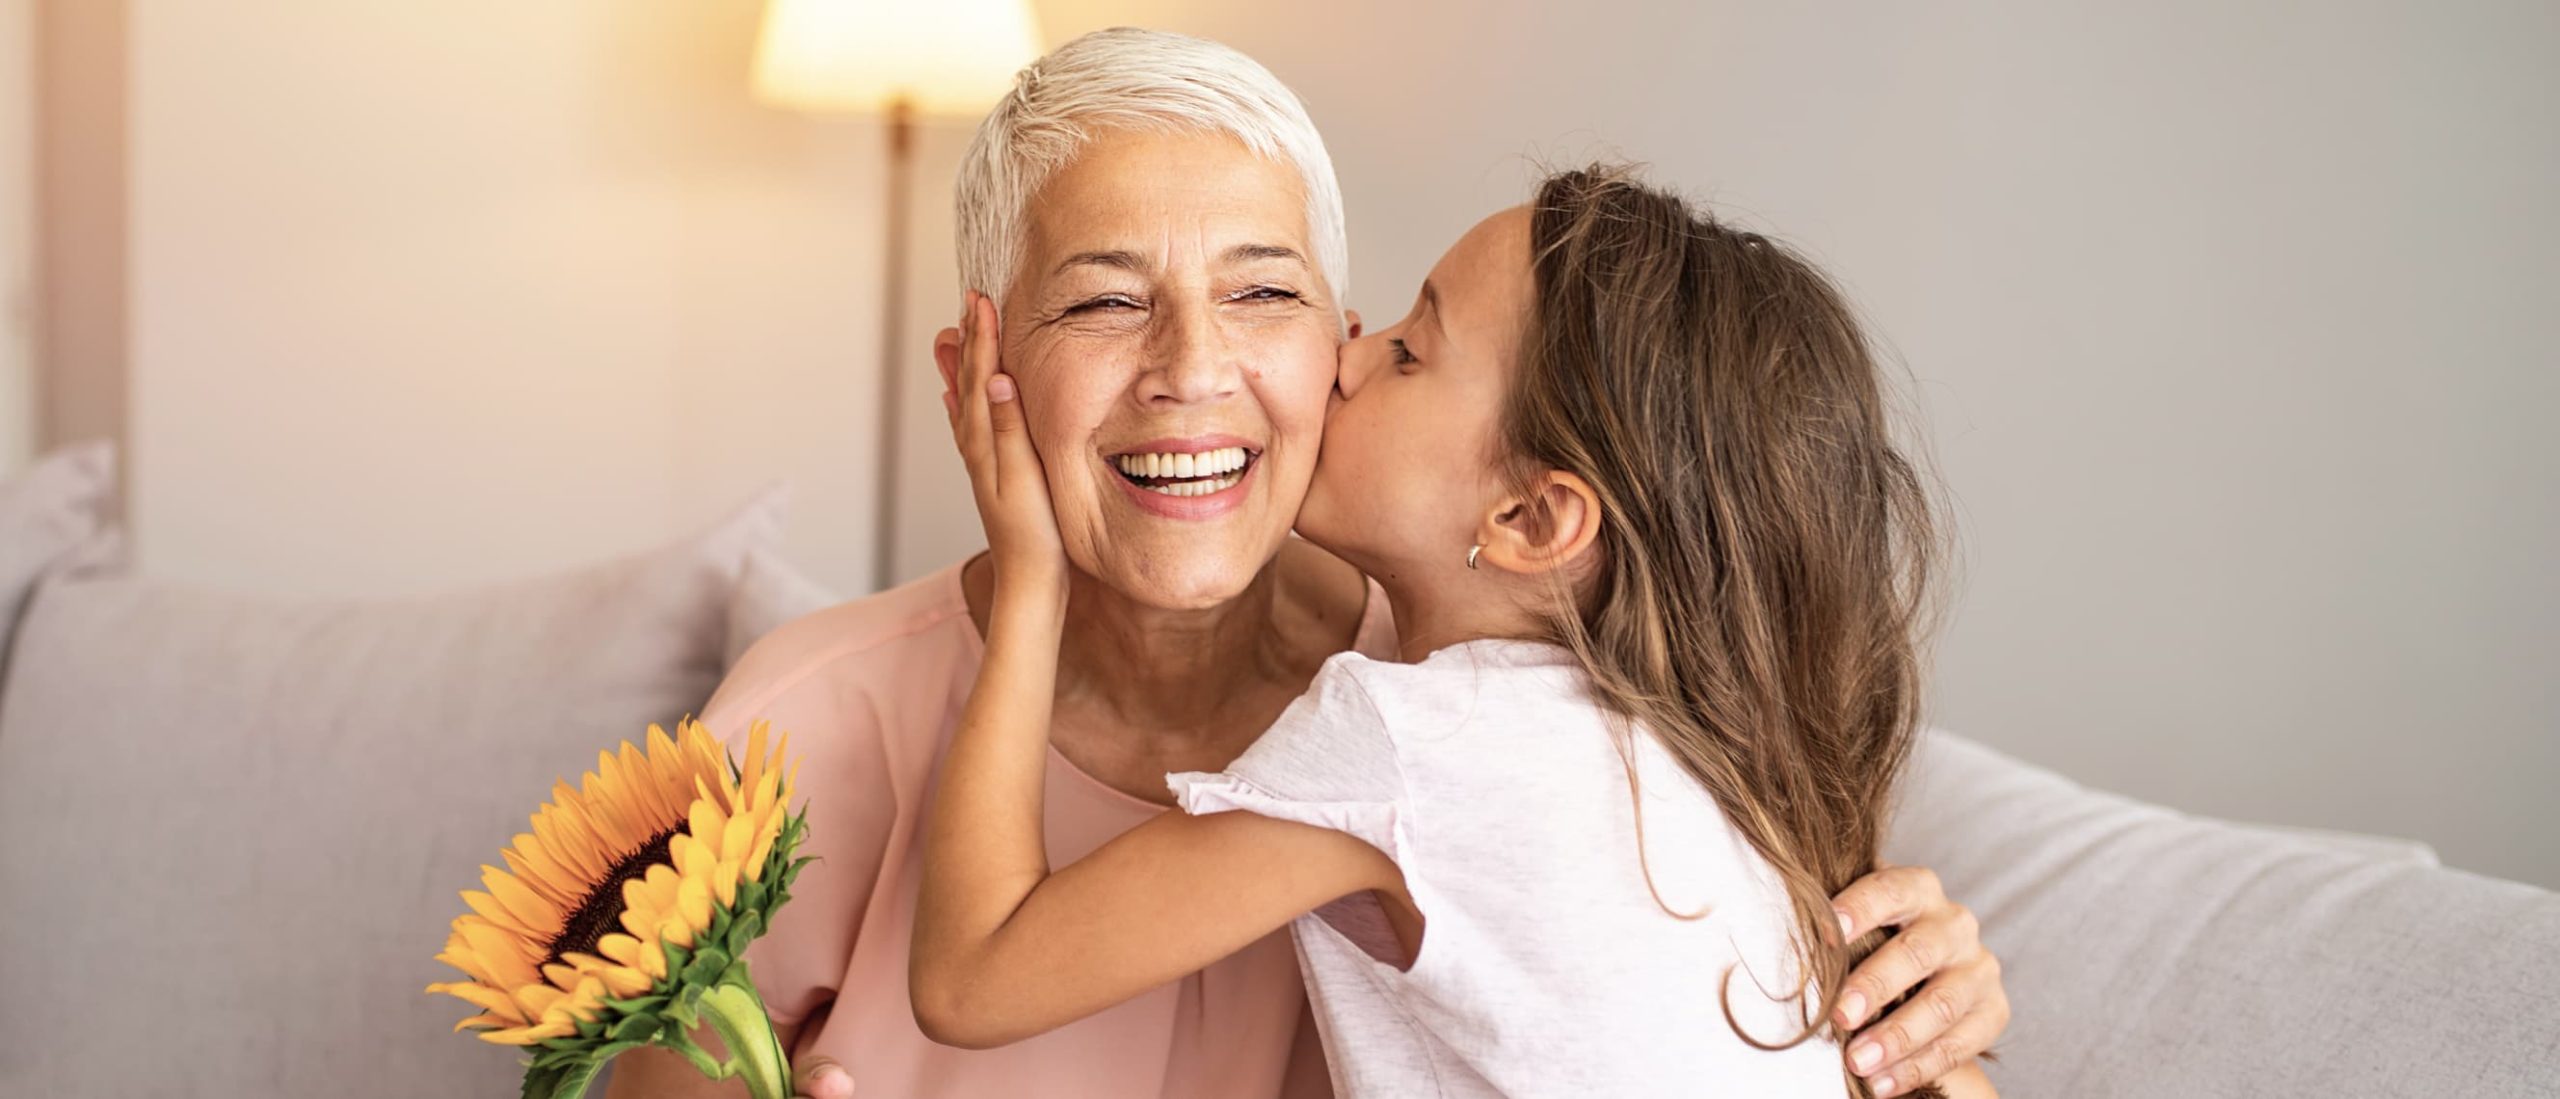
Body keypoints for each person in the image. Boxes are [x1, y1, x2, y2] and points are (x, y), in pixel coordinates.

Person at [606, 28, 2006, 1099]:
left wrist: (1917, 995)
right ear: (983, 372)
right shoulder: (798, 730)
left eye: (1272, 296)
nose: (1196, 371)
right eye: (1105, 299)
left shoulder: (1430, 707)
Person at [914, 164, 1988, 1099]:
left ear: (1528, 518)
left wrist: (1030, 584)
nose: (1343, 352)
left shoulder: (1413, 737)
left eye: (1410, 351)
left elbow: (974, 974)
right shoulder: (1671, 746)